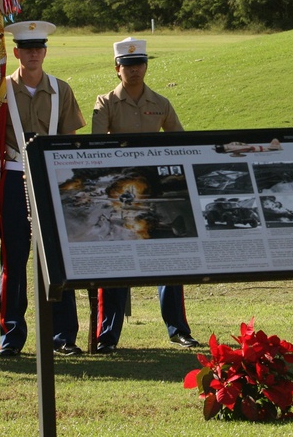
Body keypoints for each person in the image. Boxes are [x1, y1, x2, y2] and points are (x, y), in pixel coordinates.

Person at [90, 37, 199, 353]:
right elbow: (98, 148)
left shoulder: (161, 103)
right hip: (121, 194)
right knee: (117, 263)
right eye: (127, 65)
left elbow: (179, 142)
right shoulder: (106, 103)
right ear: (117, 69)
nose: (134, 71)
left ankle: (178, 329)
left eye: (138, 64)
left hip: (157, 193)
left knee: (170, 260)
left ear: (146, 66)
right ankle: (107, 335)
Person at [0, 21, 85, 358]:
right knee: (14, 259)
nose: (33, 54)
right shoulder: (1, 90)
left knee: (57, 257)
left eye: (39, 48)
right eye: (27, 48)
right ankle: (12, 337)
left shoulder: (60, 90)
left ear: (45, 52)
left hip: (52, 180)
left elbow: (70, 141)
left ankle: (63, 335)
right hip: (13, 177)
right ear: (16, 52)